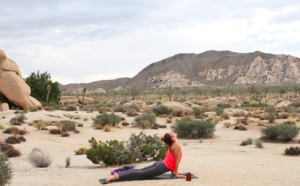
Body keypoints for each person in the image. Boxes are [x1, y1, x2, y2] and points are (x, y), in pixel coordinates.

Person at [106, 132, 185, 182]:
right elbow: (176, 161)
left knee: (139, 171)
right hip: (162, 166)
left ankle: (118, 175)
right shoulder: (177, 146)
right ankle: (117, 177)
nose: (172, 132)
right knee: (140, 173)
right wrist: (176, 174)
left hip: (161, 164)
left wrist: (174, 172)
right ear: (172, 138)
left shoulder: (172, 145)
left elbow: (172, 159)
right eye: (171, 133)